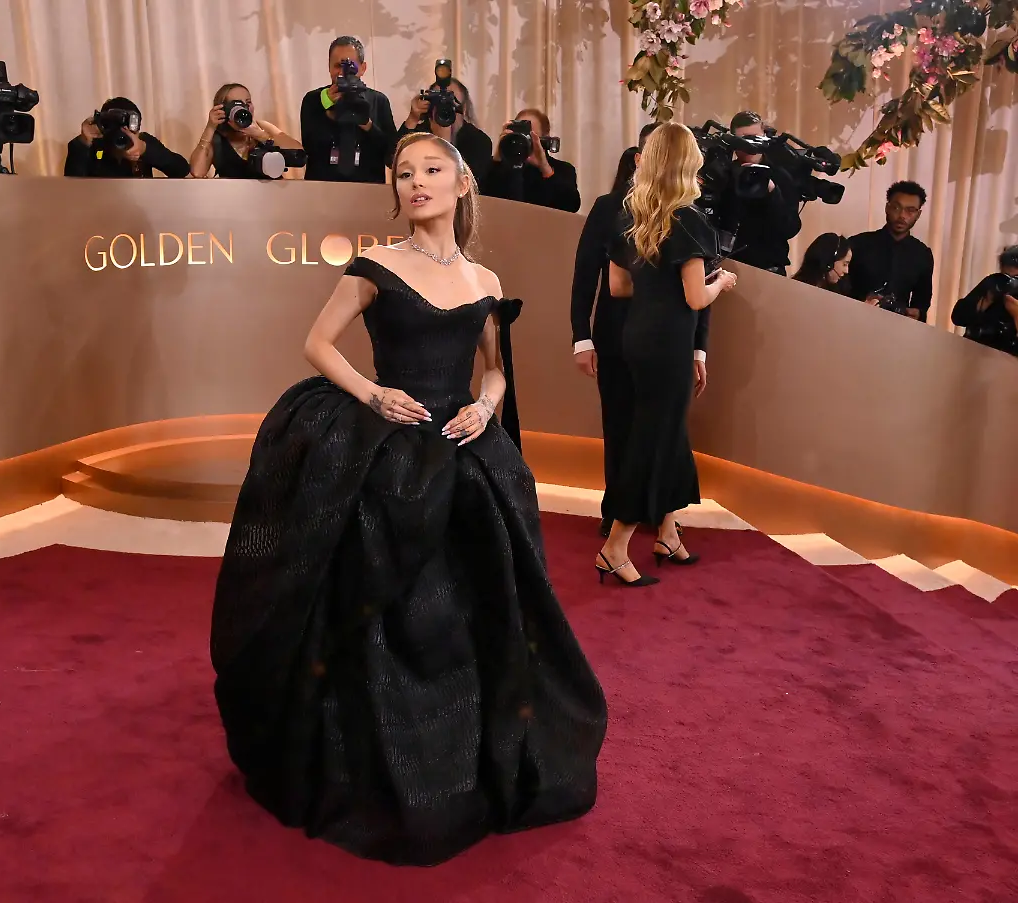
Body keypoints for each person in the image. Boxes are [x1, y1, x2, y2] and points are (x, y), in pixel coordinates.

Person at [210, 131, 606, 866]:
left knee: (468, 610)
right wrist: (372, 392)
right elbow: (318, 344)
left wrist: (487, 410)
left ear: (461, 185)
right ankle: (378, 757)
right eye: (404, 173)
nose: (416, 182)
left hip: (463, 452)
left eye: (431, 170)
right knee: (387, 610)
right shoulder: (375, 265)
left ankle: (465, 755)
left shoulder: (486, 279)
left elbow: (493, 373)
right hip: (387, 452)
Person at [596, 122, 737, 587]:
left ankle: (669, 533)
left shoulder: (631, 216)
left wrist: (655, 288)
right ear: (687, 164)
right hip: (669, 343)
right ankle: (615, 545)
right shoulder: (691, 221)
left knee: (668, 435)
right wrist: (723, 282)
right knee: (654, 441)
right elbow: (697, 298)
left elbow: (617, 287)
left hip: (637, 336)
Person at [572, 123, 707, 539]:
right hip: (617, 336)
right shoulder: (611, 207)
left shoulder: (688, 214)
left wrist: (699, 350)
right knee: (623, 424)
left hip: (665, 340)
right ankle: (619, 513)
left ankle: (662, 520)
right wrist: (582, 336)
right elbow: (586, 276)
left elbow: (695, 289)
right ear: (639, 158)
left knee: (664, 429)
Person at [299, 35, 398, 183]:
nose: (343, 72)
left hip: (368, 189)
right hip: (322, 188)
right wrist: (329, 112)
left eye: (351, 66)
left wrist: (368, 125)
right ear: (329, 67)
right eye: (338, 65)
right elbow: (309, 149)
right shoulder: (313, 99)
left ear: (363, 68)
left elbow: (391, 154)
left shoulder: (378, 101)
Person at [718, 111, 802, 275]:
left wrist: (771, 191)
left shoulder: (780, 175)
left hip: (768, 270)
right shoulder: (724, 174)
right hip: (726, 268)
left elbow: (790, 228)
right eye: (743, 140)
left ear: (765, 137)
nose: (750, 147)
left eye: (755, 138)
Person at [846, 181, 934, 320]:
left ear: (918, 214)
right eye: (896, 208)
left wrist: (916, 314)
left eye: (910, 210)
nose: (902, 216)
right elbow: (839, 287)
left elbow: (922, 302)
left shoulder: (922, 254)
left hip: (898, 329)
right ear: (887, 207)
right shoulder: (858, 243)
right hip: (854, 320)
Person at [188, 83, 302, 179]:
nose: (244, 108)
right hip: (235, 199)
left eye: (248, 102)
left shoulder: (263, 127)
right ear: (223, 109)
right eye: (237, 104)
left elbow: (299, 154)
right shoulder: (218, 138)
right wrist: (210, 127)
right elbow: (197, 172)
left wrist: (261, 135)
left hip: (271, 197)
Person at [397, 75, 492, 184]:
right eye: (438, 101)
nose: (444, 107)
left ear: (463, 108)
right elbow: (392, 161)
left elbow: (468, 184)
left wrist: (443, 141)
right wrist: (412, 118)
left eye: (450, 101)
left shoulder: (478, 141)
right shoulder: (420, 134)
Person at [481, 108, 580, 212]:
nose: (525, 139)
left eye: (531, 135)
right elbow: (480, 199)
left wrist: (545, 169)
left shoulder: (563, 169)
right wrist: (499, 155)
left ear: (544, 139)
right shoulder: (500, 168)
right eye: (520, 134)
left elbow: (571, 206)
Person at [63, 97, 189, 179]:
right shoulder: (93, 144)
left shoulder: (142, 142)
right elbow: (73, 187)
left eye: (129, 128)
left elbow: (181, 170)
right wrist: (84, 143)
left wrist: (145, 150)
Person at [951, 245, 1018, 356]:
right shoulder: (995, 283)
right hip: (973, 357)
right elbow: (958, 317)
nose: (1009, 283)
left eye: (1015, 279)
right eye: (1006, 276)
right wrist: (985, 302)